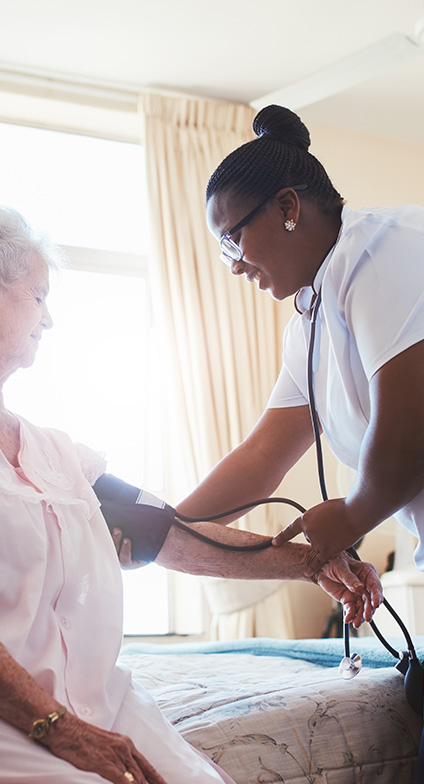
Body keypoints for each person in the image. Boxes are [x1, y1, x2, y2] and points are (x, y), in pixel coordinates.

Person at [0, 201, 380, 784]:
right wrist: (57, 727)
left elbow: (170, 536)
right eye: (37, 295)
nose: (48, 318)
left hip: (97, 701)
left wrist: (312, 563)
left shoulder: (56, 451)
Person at [175, 102, 424, 581]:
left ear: (287, 207)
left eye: (232, 239)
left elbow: (410, 437)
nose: (232, 265)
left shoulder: (381, 250)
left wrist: (352, 516)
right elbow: (262, 457)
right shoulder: (308, 326)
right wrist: (162, 531)